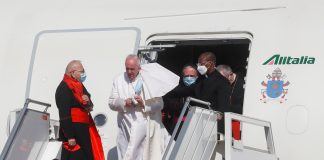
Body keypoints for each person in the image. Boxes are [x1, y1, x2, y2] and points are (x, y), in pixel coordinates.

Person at [109, 55, 169, 160]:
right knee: (125, 153)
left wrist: (143, 104)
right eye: (127, 68)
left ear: (139, 68)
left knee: (141, 155)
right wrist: (124, 103)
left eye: (132, 69)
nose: (129, 72)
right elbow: (111, 102)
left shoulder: (148, 80)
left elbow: (160, 104)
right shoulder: (118, 79)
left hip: (143, 123)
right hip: (124, 124)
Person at [164, 52, 231, 134]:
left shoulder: (222, 82)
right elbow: (186, 90)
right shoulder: (202, 79)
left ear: (210, 64)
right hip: (197, 123)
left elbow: (223, 109)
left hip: (211, 126)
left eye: (201, 64)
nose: (198, 67)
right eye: (198, 64)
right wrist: (164, 93)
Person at [55, 60, 104, 160]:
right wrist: (70, 136)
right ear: (72, 73)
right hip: (73, 129)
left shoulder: (79, 85)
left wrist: (87, 101)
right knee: (75, 156)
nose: (84, 74)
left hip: (84, 128)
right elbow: (64, 114)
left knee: (87, 155)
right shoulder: (63, 87)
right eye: (81, 71)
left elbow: (90, 106)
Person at [162, 64, 199, 135]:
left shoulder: (201, 89)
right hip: (177, 126)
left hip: (196, 126)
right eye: (186, 76)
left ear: (197, 77)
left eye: (192, 76)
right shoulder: (175, 90)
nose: (189, 78)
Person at [216, 64, 245, 140]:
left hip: (237, 120)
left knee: (236, 142)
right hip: (223, 119)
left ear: (231, 74)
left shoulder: (243, 84)